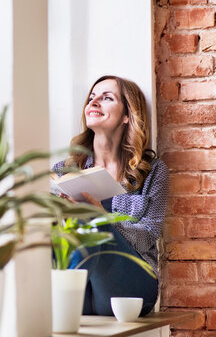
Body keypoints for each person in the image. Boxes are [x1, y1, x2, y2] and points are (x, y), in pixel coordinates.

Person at [52, 75, 169, 316]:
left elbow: (147, 236)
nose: (94, 103)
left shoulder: (153, 171)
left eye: (106, 98)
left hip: (131, 285)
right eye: (92, 98)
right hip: (79, 292)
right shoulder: (62, 171)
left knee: (92, 227)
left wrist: (101, 216)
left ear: (127, 115)